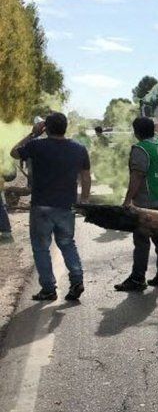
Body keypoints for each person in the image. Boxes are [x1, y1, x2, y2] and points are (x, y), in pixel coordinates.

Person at [10, 112, 91, 301]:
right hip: (67, 205)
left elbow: (14, 152)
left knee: (40, 248)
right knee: (67, 243)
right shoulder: (79, 148)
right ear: (65, 127)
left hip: (41, 206)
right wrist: (84, 200)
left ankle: (48, 288)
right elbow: (86, 177)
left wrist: (33, 134)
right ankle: (77, 280)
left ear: (45, 128)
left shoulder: (36, 145)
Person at [113, 118, 158, 291]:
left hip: (148, 201)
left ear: (136, 131)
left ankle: (138, 278)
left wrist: (127, 200)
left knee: (141, 240)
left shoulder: (140, 149)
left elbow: (137, 176)